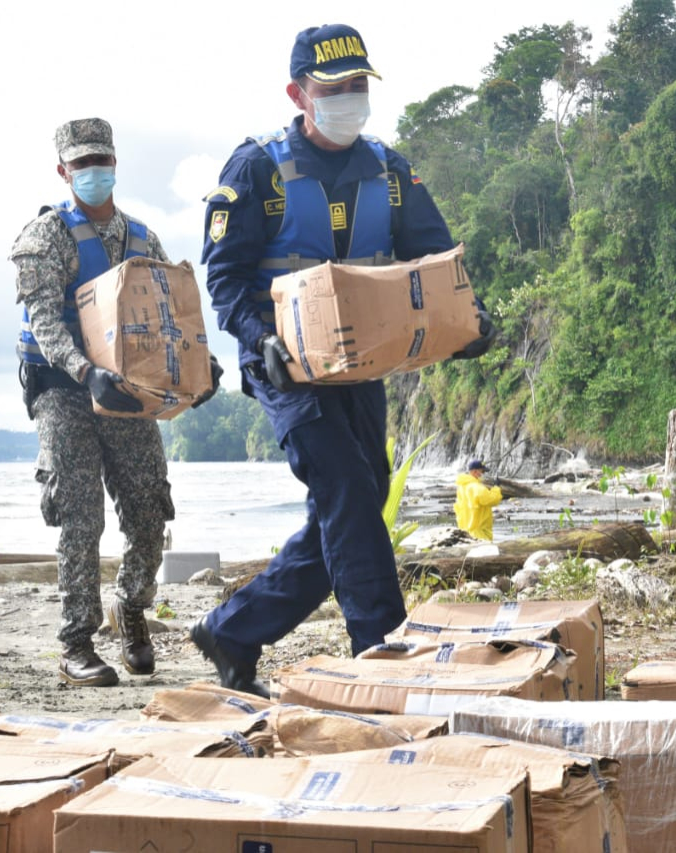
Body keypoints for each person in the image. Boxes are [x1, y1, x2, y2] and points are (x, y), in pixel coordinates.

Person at [190, 23, 495, 697]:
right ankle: (383, 654)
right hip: (285, 367)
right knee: (349, 493)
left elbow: (435, 260)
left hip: (361, 360)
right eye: (334, 88)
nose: (349, 98)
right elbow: (227, 278)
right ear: (299, 93)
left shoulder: (389, 171)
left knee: (355, 500)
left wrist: (472, 322)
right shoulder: (256, 168)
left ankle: (233, 630)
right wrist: (258, 335)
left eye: (358, 85)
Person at [9, 117, 221, 688]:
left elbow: (169, 311)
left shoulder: (142, 238)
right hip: (63, 388)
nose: (92, 171)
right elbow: (44, 322)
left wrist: (201, 366)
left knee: (150, 507)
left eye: (100, 161)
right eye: (81, 164)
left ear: (115, 165)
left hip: (128, 388)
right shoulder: (43, 238)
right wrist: (84, 370)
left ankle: (130, 608)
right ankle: (76, 642)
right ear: (63, 171)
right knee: (80, 513)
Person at [455, 459, 503, 541]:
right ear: (474, 472)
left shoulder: (462, 487)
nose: (483, 474)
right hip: (478, 533)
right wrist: (496, 488)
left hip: (465, 531)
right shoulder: (476, 487)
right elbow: (493, 500)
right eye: (482, 471)